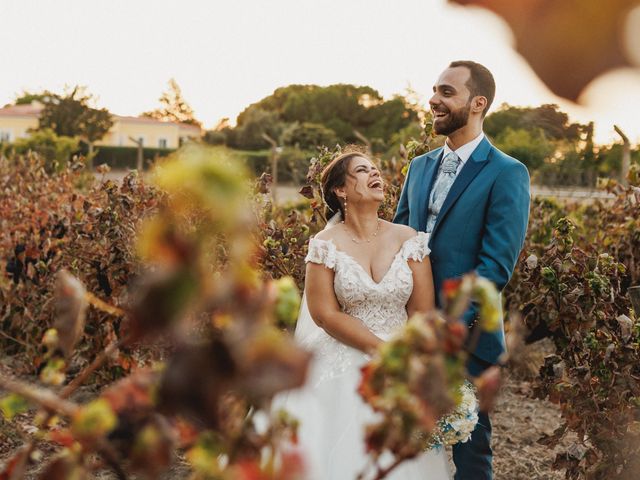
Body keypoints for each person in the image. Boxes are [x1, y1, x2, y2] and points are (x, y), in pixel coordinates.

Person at [394, 60, 531, 480]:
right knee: (404, 437)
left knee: (471, 448)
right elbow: (398, 240)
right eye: (434, 89)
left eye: (446, 92)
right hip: (408, 326)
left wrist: (448, 324)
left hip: (468, 337)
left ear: (478, 103)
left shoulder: (507, 173)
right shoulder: (418, 168)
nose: (434, 99)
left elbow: (495, 267)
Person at [280, 151, 452, 479]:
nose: (376, 174)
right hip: (344, 355)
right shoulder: (325, 244)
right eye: (362, 170)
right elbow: (325, 314)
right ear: (340, 190)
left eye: (375, 168)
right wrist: (380, 350)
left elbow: (420, 311)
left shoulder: (409, 240)